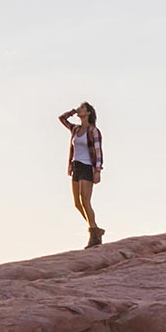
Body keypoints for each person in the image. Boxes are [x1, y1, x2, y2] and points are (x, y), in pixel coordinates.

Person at [58, 102, 104, 247]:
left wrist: (98, 170)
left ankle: (93, 233)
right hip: (76, 166)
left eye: (82, 108)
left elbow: (98, 151)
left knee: (85, 201)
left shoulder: (93, 131)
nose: (80, 110)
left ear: (89, 112)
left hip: (87, 167)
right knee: (77, 204)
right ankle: (95, 229)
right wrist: (73, 111)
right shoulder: (75, 129)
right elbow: (62, 119)